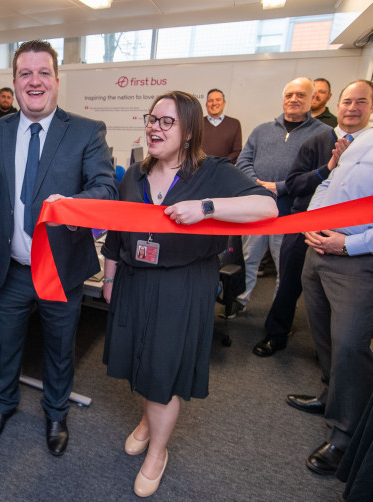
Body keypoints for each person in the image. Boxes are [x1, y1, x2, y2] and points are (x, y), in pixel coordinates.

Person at [101, 90, 276, 497]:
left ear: (190, 129)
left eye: (166, 122)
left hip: (183, 285)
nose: (154, 127)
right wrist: (109, 279)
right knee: (142, 360)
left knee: (165, 367)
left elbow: (268, 208)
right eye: (151, 119)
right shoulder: (134, 174)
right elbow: (117, 232)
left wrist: (208, 207)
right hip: (135, 280)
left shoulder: (212, 171)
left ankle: (157, 451)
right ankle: (148, 422)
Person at [0, 40, 117, 456]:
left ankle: (56, 412)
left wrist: (68, 206)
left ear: (56, 79)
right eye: (25, 74)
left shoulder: (87, 131)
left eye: (42, 73)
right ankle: (3, 405)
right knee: (5, 343)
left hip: (61, 267)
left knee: (58, 346)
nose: (34, 81)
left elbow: (105, 188)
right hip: (10, 268)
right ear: (15, 82)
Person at [254, 79, 373, 356]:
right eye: (348, 102)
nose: (353, 108)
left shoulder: (368, 146)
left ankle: (333, 360)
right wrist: (327, 169)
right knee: (289, 284)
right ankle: (276, 334)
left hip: (354, 239)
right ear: (338, 105)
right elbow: (295, 184)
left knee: (345, 317)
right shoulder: (317, 141)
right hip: (304, 228)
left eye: (361, 102)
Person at [287, 126, 373, 476]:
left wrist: (348, 244)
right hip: (320, 249)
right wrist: (315, 221)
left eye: (359, 101)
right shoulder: (362, 138)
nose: (352, 107)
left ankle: (345, 434)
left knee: (350, 344)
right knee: (321, 331)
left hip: (355, 258)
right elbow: (328, 182)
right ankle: (329, 394)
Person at [231, 77, 330, 317]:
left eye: (301, 95)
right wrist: (257, 185)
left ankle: (277, 313)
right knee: (248, 258)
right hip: (256, 208)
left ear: (312, 99)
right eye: (289, 95)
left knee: (284, 268)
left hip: (290, 213)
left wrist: (279, 187)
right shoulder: (262, 130)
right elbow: (244, 160)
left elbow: (321, 173)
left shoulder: (324, 134)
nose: (294, 99)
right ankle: (239, 300)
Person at [201, 88, 242, 164]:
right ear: (206, 105)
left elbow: (237, 151)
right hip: (200, 169)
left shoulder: (235, 124)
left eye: (218, 100)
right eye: (210, 101)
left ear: (224, 103)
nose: (214, 103)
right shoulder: (198, 123)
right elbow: (192, 148)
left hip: (225, 170)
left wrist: (220, 163)